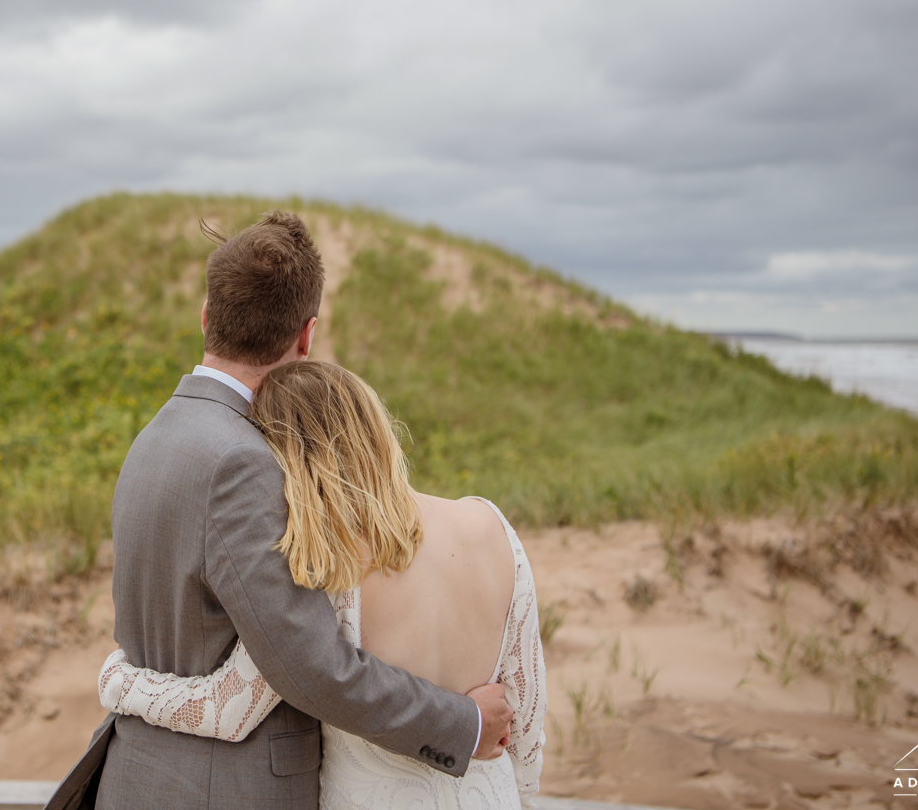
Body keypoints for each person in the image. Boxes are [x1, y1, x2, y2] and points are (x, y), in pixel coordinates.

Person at [47, 211, 512, 810]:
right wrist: (463, 723)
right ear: (306, 336)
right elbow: (312, 667)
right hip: (223, 792)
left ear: (208, 316)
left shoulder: (154, 437)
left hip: (139, 774)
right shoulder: (246, 465)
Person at [98, 360, 547, 809]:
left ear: (288, 458)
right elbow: (526, 726)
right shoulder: (492, 527)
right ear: (373, 420)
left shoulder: (327, 565)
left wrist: (123, 682)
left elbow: (229, 708)